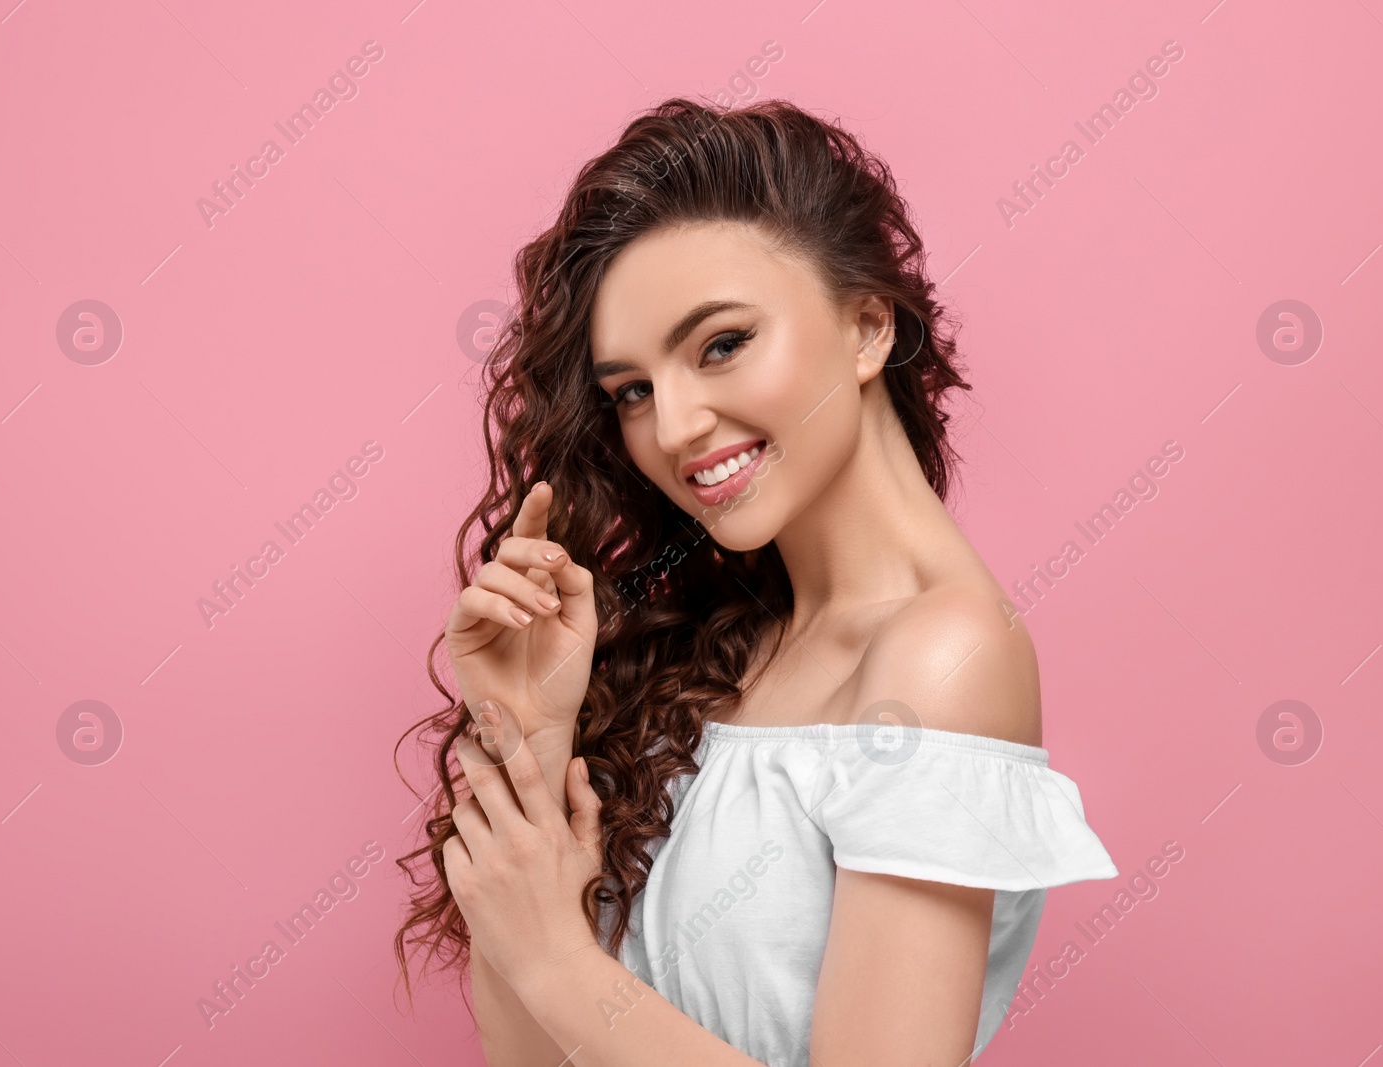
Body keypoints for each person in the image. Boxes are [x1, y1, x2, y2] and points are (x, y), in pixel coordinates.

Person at [394, 96, 1118, 1065]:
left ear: (867, 327)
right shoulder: (713, 643)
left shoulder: (945, 653)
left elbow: (560, 977)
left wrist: (562, 958)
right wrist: (529, 733)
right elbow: (528, 1053)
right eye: (633, 392)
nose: (676, 425)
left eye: (721, 344)